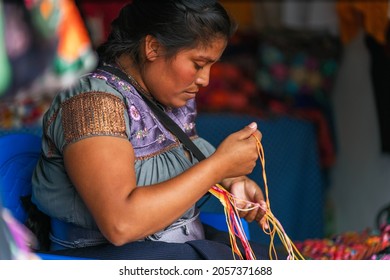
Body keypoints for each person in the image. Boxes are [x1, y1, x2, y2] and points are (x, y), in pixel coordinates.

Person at [30, 0, 269, 260]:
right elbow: (121, 224)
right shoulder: (93, 102)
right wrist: (219, 167)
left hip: (176, 247)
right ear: (153, 47)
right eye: (198, 64)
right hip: (111, 260)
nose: (205, 80)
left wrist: (233, 181)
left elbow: (188, 157)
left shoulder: (168, 98)